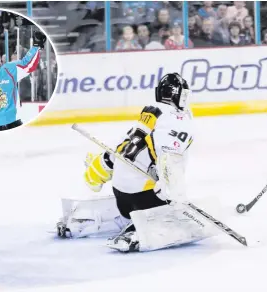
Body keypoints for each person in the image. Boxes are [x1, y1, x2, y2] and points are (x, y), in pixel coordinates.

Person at [57, 73, 216, 252]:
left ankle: (85, 222)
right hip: (144, 198)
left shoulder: (149, 116)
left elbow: (117, 153)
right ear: (180, 95)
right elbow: (170, 160)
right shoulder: (178, 120)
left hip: (121, 195)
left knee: (131, 205)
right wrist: (175, 195)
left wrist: (95, 175)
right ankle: (137, 233)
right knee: (176, 216)